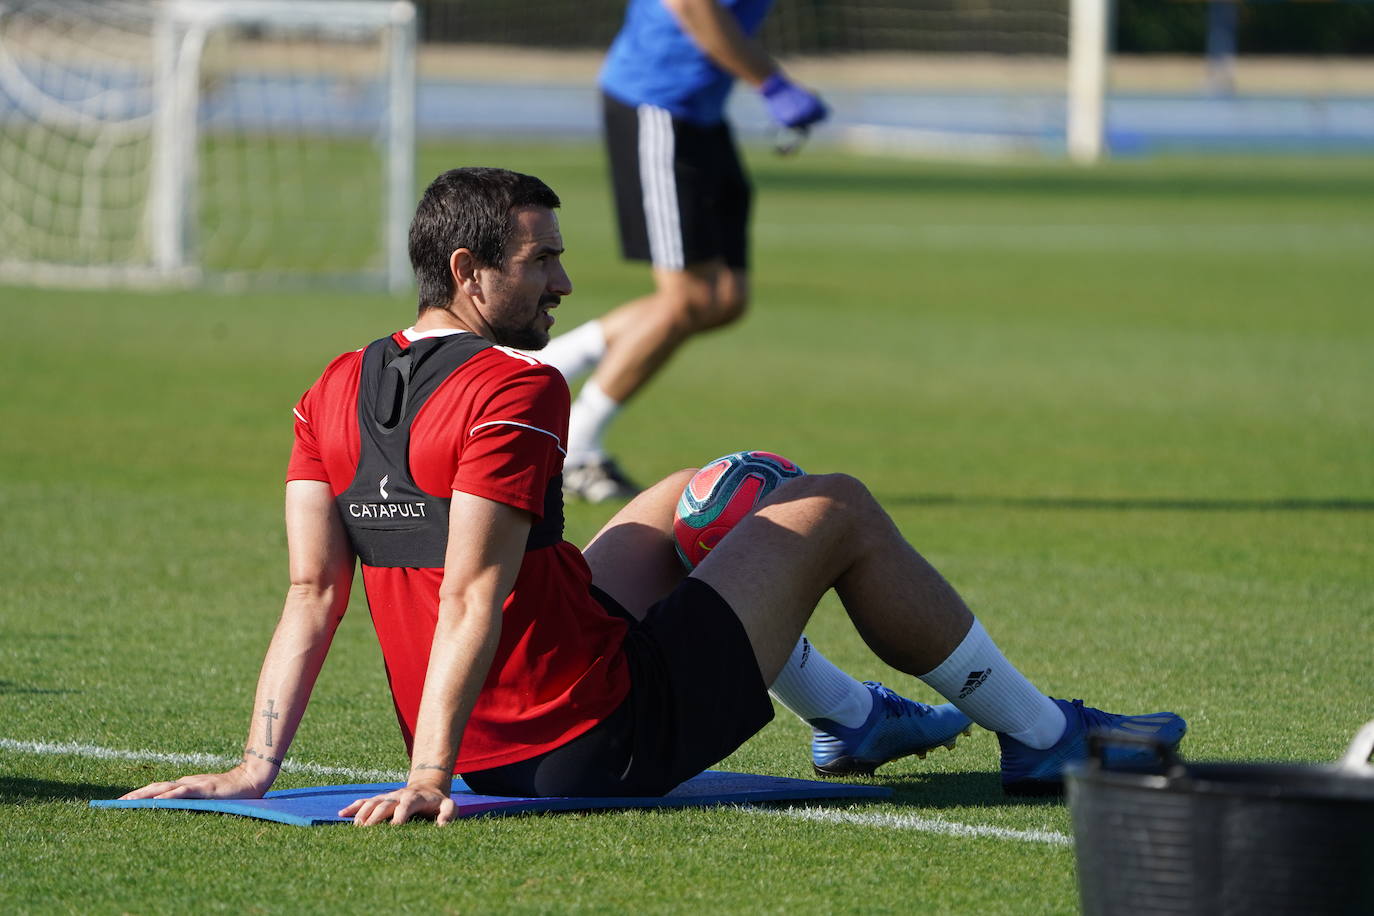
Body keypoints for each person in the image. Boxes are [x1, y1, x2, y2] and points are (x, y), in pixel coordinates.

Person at [121, 168, 1185, 826]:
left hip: (515, 724)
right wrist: (431, 775)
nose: (567, 288)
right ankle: (1044, 735)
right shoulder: (517, 388)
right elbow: (470, 599)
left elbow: (314, 592)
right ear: (467, 268)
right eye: (543, 263)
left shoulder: (331, 385)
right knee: (837, 506)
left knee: (690, 494)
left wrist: (259, 764)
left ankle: (854, 722)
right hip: (593, 737)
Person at [543, 0, 829, 502]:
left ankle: (545, 366)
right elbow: (691, 6)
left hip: (703, 114)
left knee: (725, 299)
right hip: (655, 101)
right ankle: (577, 447)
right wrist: (772, 82)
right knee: (689, 298)